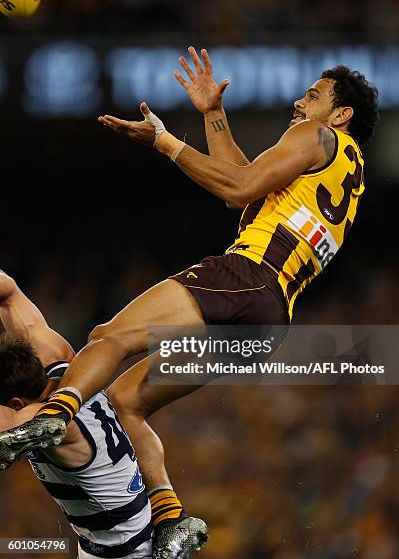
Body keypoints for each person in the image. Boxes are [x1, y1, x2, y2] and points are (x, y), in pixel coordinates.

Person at [0, 46, 379, 539]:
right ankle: (171, 518)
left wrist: (164, 142)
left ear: (341, 113)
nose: (300, 103)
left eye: (313, 95)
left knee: (109, 336)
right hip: (270, 318)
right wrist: (213, 114)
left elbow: (238, 187)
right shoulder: (350, 172)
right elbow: (240, 185)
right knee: (127, 400)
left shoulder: (316, 133)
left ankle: (52, 416)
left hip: (245, 276)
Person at [0, 271, 207, 559]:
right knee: (127, 407)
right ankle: (169, 509)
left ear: (16, 402)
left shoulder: (41, 423)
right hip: (131, 537)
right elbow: (8, 291)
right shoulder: (66, 363)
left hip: (125, 554)